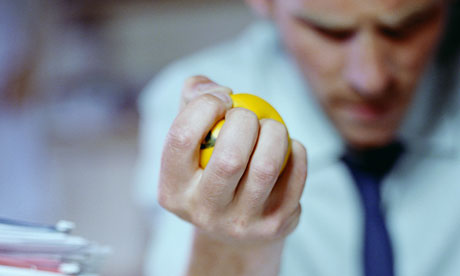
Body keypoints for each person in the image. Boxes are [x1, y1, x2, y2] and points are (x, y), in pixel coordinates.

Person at [136, 0, 460, 275]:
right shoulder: (197, 107)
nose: (371, 79)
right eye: (330, 32)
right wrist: (229, 246)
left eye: (407, 27)